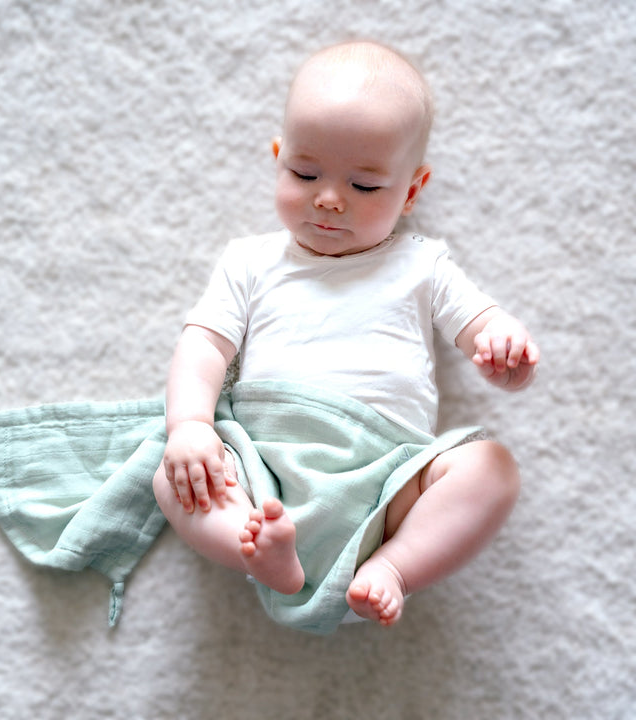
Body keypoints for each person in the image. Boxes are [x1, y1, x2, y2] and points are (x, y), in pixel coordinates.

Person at [152, 40, 540, 627]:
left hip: (390, 481)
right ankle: (254, 550)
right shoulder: (250, 261)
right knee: (174, 474)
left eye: (364, 187)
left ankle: (395, 566)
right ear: (279, 157)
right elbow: (205, 344)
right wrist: (189, 427)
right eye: (305, 173)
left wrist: (504, 348)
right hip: (265, 471)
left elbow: (479, 325)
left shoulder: (421, 264)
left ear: (411, 192)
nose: (329, 199)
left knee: (493, 469)